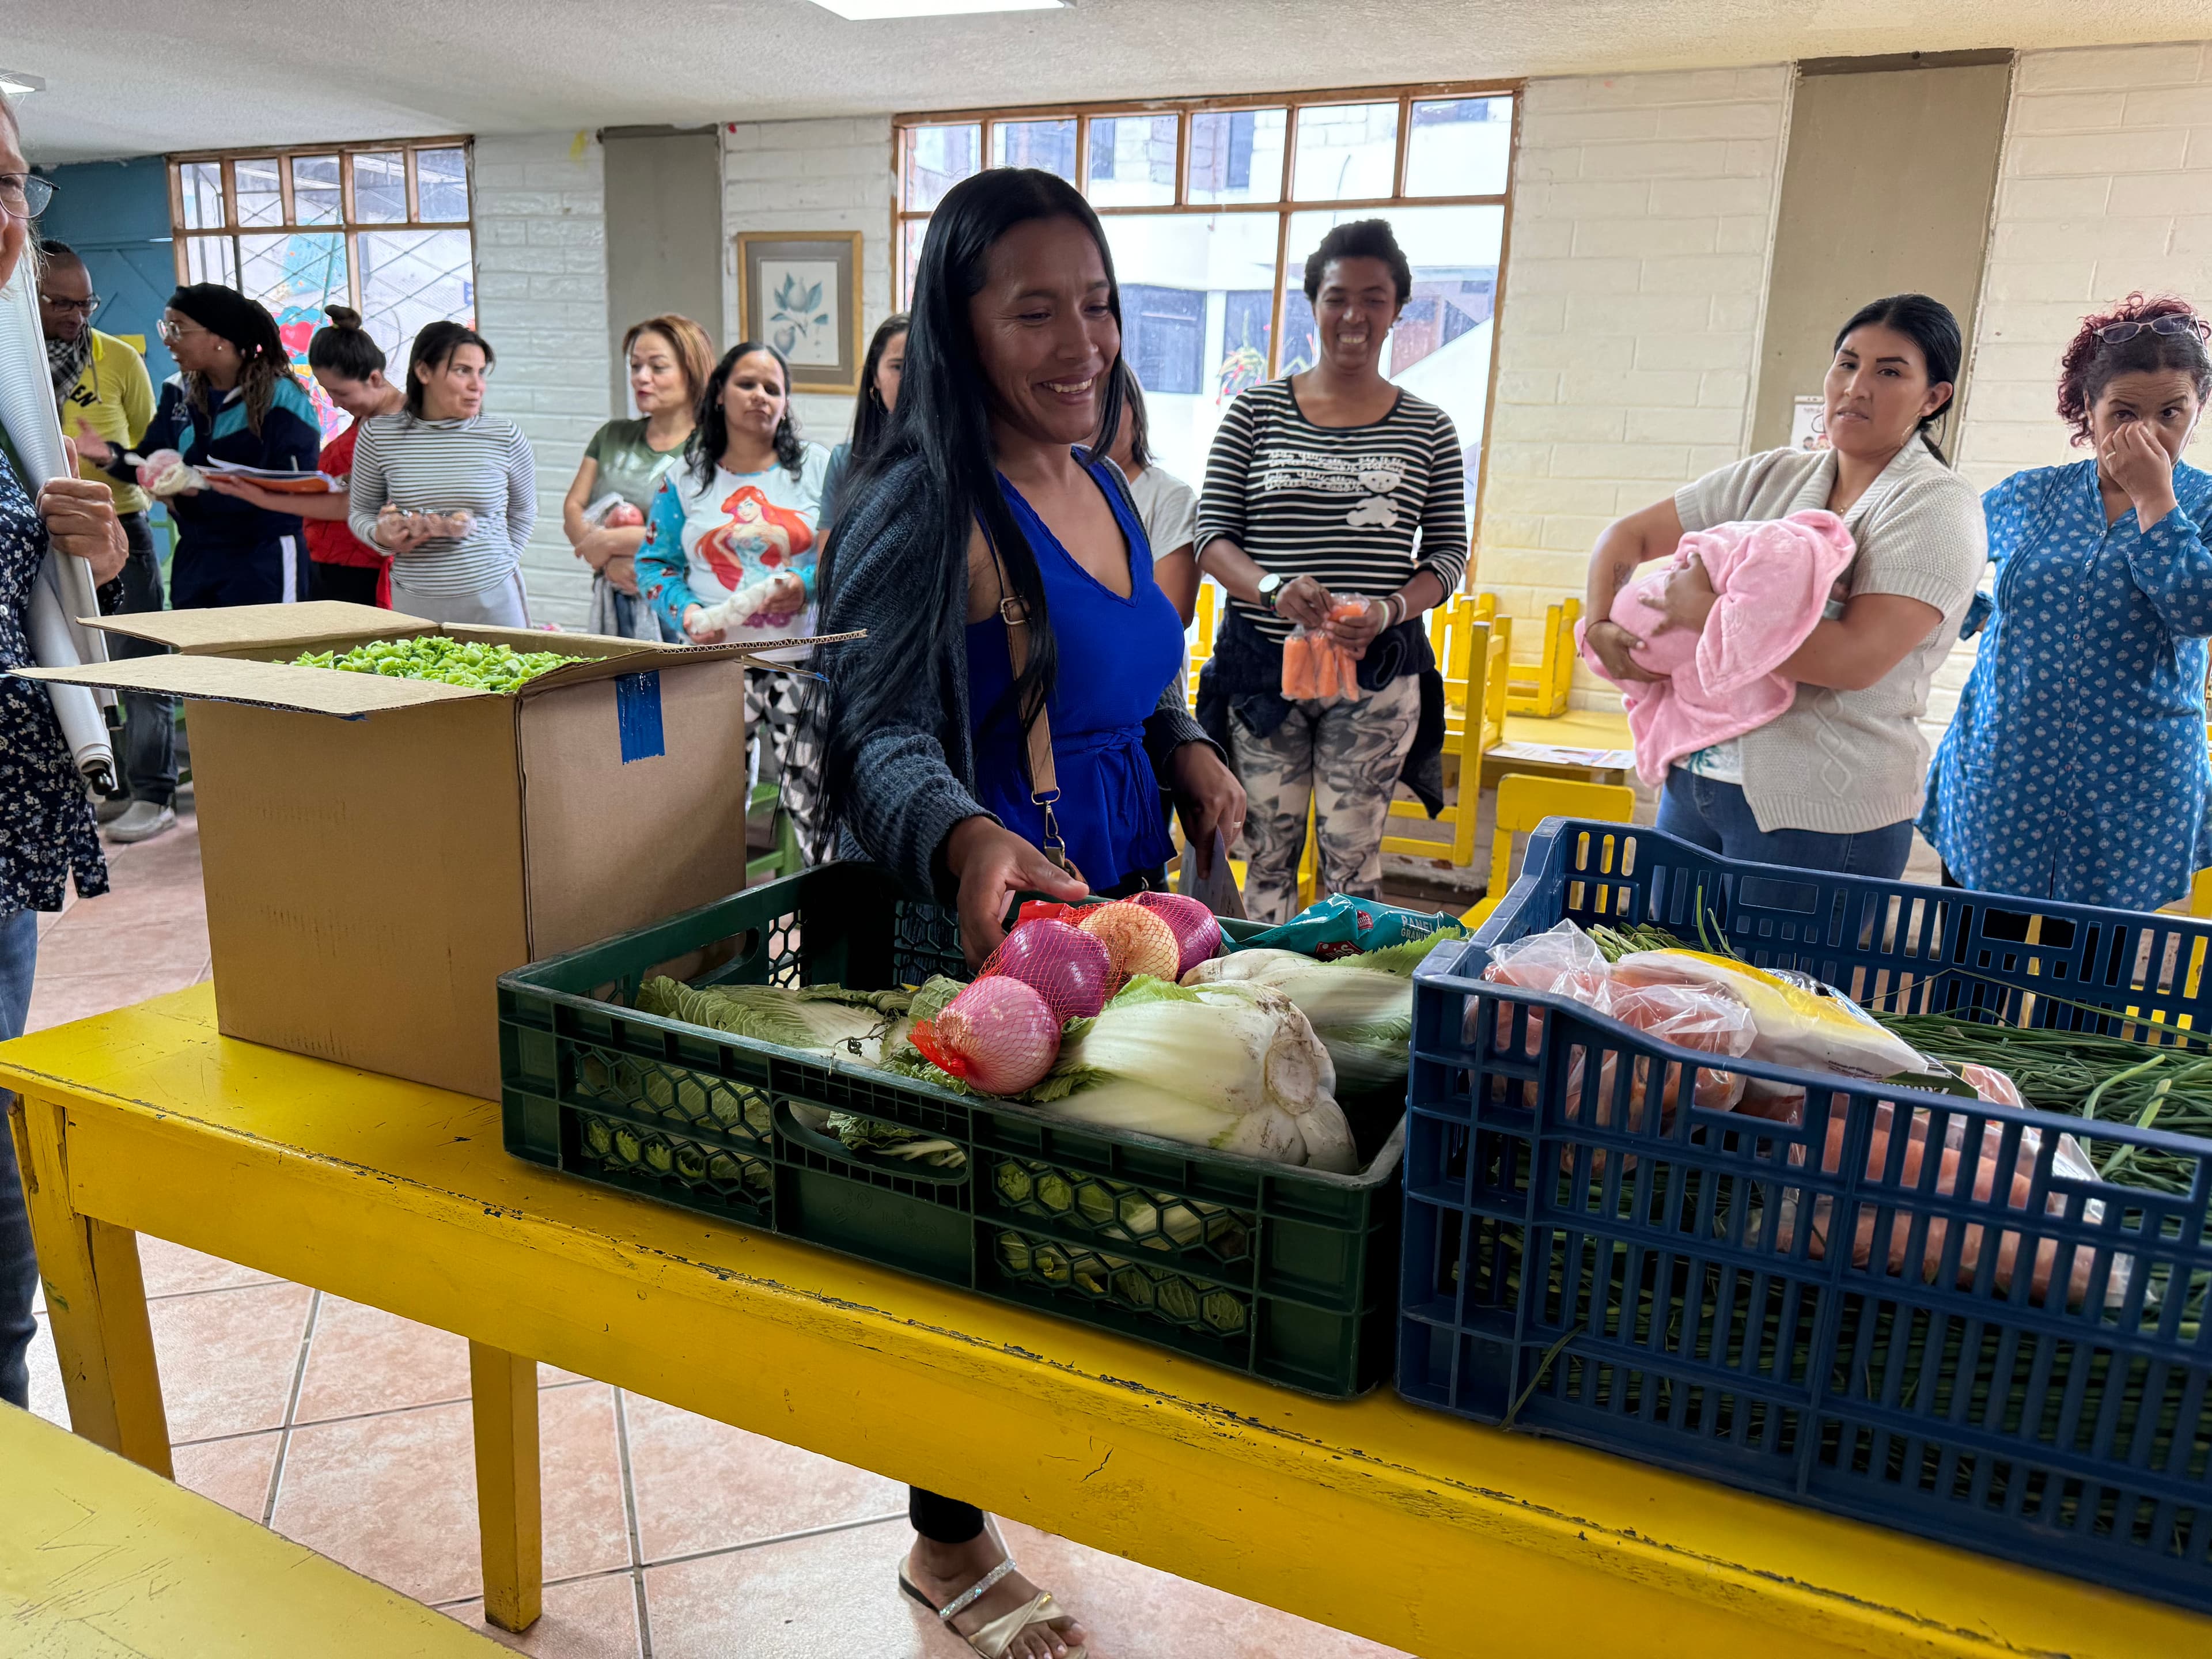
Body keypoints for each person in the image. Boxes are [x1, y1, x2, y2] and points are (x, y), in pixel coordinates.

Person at [817, 166, 1243, 1659]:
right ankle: (945, 1542)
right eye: (1037, 309)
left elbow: (1141, 671)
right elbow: (865, 726)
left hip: (1126, 908)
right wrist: (965, 828)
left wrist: (1188, 750)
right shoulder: (923, 502)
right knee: (970, 1242)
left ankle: (1029, 1458)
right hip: (992, 932)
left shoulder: (1110, 479)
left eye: (1101, 304)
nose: (1083, 341)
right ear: (962, 322)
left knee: (1078, 1225)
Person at [1582, 294, 1986, 879]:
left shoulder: (1936, 508)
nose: (1857, 386)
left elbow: (1853, 661)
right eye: (1847, 363)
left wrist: (1707, 613)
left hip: (1822, 815)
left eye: (1889, 371)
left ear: (1933, 397)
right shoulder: (1774, 476)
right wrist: (1599, 624)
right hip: (1695, 784)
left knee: (1782, 976)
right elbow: (1626, 536)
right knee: (1665, 969)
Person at [1194, 218, 1468, 922]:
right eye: (1338, 296)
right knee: (1266, 857)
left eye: (1374, 298)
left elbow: (1446, 557)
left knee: (1353, 865)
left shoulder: (1429, 429)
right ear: (1313, 304)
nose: (1355, 316)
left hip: (1374, 677)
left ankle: (1340, 1013)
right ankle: (1261, 1008)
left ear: (1397, 309)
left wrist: (1387, 611)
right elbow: (1211, 537)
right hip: (1263, 676)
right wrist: (1273, 588)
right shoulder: (1254, 412)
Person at [1923, 294, 2212, 909]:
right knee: (1968, 974)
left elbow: (2198, 610)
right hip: (2005, 771)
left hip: (2132, 789)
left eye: (2171, 412)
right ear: (2088, 408)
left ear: (2199, 407)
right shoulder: (2027, 496)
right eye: (2124, 412)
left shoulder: (2204, 506)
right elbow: (1949, 587)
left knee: (2088, 985)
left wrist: (2154, 499)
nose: (2147, 432)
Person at [0, 94, 131, 1414]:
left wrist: (92, 544)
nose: (12, 220)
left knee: (1, 1231)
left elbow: (49, 586)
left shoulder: (7, 390)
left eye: (18, 188)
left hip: (5, 824)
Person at [37, 240, 173, 843]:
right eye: (59, 302)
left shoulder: (118, 360)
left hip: (119, 532)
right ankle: (105, 787)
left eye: (85, 302)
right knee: (69, 672)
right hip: (33, 545)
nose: (76, 315)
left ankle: (153, 791)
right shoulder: (15, 362)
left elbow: (147, 452)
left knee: (138, 665)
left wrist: (108, 457)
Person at [81, 283, 321, 607]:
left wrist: (196, 494)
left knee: (266, 656)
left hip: (263, 559)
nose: (167, 339)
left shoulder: (282, 400)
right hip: (197, 556)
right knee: (198, 654)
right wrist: (111, 456)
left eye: (178, 329)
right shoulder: (177, 391)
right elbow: (149, 459)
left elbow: (293, 493)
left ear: (220, 338)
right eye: (166, 328)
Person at [208, 306, 403, 608]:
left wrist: (262, 495)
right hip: (326, 560)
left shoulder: (403, 426)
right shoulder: (368, 415)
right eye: (328, 393)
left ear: (375, 378)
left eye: (342, 393)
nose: (336, 404)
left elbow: (353, 505)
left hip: (365, 569)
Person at [347, 321, 536, 627]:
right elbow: (360, 512)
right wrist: (380, 535)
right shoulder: (378, 436)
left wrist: (493, 566)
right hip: (415, 600)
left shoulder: (505, 435)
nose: (478, 385)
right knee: (418, 676)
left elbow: (524, 513)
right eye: (463, 371)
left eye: (481, 372)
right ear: (424, 372)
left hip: (495, 599)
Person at [562, 313, 713, 639]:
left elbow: (704, 532)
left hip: (685, 610)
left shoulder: (713, 447)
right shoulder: (612, 435)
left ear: (692, 372)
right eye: (635, 366)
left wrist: (610, 542)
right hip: (615, 604)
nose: (642, 378)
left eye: (658, 367)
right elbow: (573, 508)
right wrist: (607, 564)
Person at [1106, 358, 1198, 624]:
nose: (1096, 415)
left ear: (1135, 412)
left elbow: (1173, 615)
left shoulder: (1170, 497)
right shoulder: (1052, 495)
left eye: (1109, 403)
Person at [820, 310, 906, 527]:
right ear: (875, 376)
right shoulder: (845, 461)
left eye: (920, 366)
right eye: (898, 367)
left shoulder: (955, 460)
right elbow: (829, 557)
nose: (910, 379)